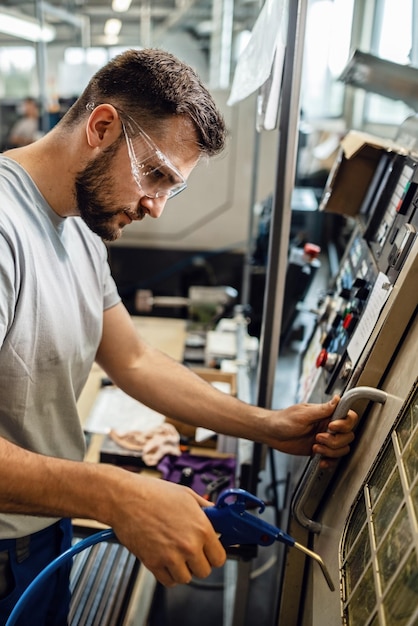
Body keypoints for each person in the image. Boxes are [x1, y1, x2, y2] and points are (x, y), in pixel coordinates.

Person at [0, 48, 358, 625]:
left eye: (174, 187)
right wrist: (116, 495)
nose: (158, 207)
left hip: (44, 526)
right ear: (102, 126)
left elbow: (135, 360)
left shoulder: (83, 225)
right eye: (157, 174)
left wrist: (266, 425)